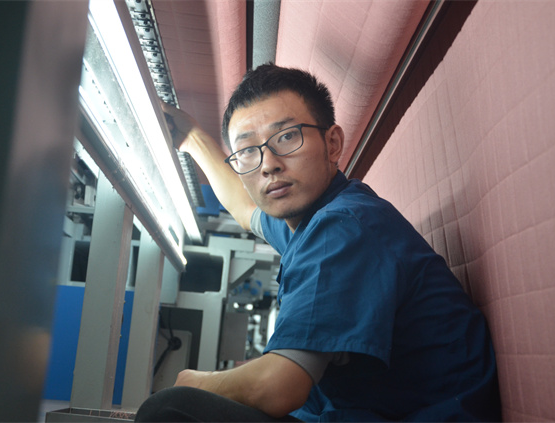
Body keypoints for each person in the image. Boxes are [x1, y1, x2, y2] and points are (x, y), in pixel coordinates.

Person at [135, 64, 501, 422]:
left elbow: (277, 387)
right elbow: (246, 210)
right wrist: (191, 138)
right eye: (247, 150)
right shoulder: (314, 221)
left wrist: (196, 382)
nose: (268, 164)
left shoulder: (342, 229)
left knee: (169, 409)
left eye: (286, 137)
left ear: (332, 143)